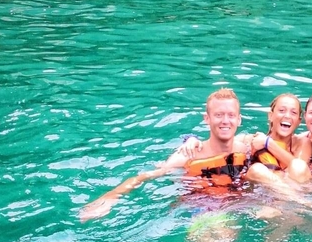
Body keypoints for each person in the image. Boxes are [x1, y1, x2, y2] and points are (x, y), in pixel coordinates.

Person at [79, 88, 250, 222]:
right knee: (218, 240)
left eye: (231, 115)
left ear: (239, 119)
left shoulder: (247, 149)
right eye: (218, 115)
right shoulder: (188, 154)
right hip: (202, 207)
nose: (225, 121)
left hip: (240, 205)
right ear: (207, 118)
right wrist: (109, 198)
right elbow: (145, 176)